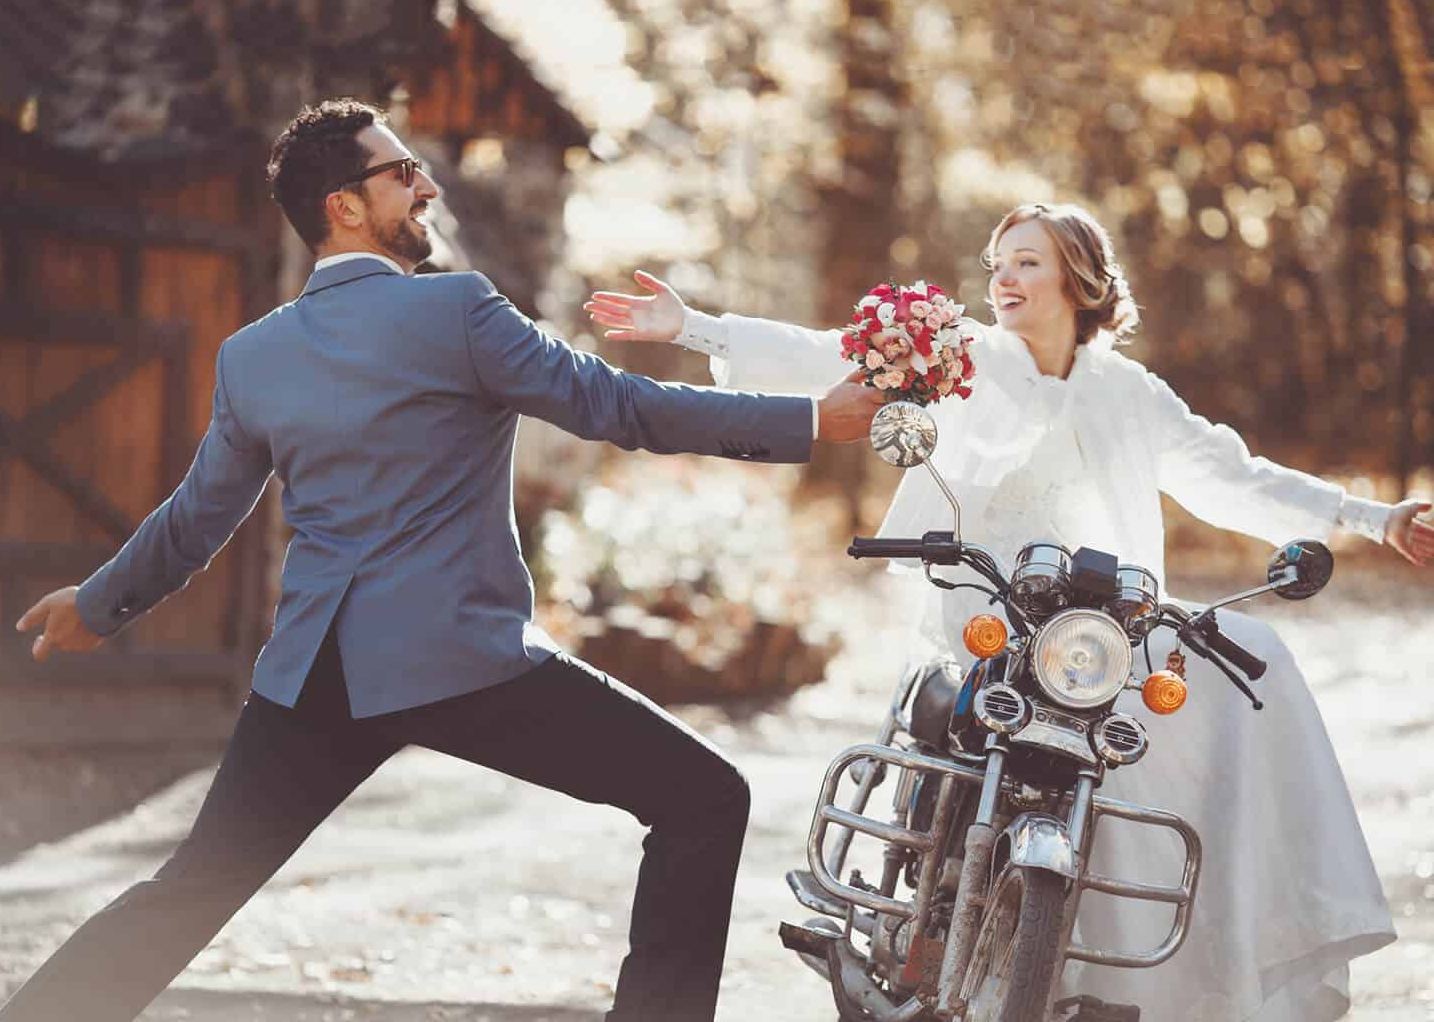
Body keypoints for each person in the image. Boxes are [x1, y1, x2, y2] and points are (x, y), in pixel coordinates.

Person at [0, 98, 885, 1022]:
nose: (425, 186)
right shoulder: (457, 309)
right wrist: (806, 419)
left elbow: (196, 520)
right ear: (343, 205)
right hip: (460, 662)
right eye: (401, 172)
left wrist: (99, 606)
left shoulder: (252, 355)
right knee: (705, 799)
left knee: (193, 886)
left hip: (316, 673)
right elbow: (617, 406)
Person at [585, 201, 1433, 1022]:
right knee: (951, 719)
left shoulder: (1130, 393)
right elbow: (825, 353)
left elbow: (1237, 475)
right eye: (996, 265)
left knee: (1246, 660)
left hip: (1095, 630)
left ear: (1081, 279)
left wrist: (1376, 518)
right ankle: (915, 914)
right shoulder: (959, 357)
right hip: (987, 612)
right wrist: (692, 327)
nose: (1003, 279)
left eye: (1027, 261)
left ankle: (1181, 948)